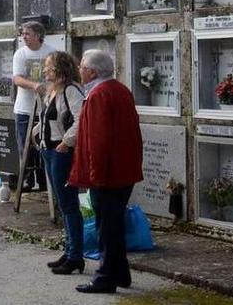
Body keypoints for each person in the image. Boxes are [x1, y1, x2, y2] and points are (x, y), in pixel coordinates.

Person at [68, 50, 143, 294]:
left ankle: (105, 278)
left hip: (108, 173)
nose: (79, 70)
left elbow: (98, 139)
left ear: (92, 71)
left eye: (82, 67)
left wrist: (95, 176)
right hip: (124, 169)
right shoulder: (121, 90)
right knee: (114, 224)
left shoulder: (99, 94)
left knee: (106, 227)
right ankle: (121, 273)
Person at [36, 52, 85, 275]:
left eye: (48, 67)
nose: (45, 71)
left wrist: (67, 142)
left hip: (61, 152)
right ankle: (69, 251)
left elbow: (81, 118)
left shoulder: (71, 90)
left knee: (68, 204)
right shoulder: (52, 90)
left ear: (59, 69)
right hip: (49, 150)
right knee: (63, 203)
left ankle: (76, 256)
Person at [12, 21, 55, 190]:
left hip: (47, 107)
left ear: (38, 35)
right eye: (23, 34)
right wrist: (34, 85)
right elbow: (17, 79)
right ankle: (27, 179)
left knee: (47, 144)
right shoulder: (20, 54)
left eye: (27, 34)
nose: (24, 37)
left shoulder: (51, 52)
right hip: (25, 108)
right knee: (25, 146)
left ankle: (45, 182)